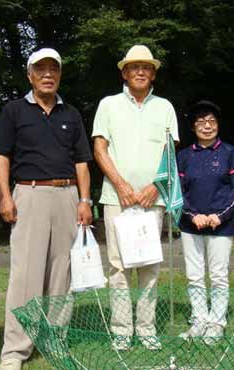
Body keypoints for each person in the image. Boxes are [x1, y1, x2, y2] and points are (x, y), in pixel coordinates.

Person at [0, 48, 93, 370]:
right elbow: (2, 156)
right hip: (29, 195)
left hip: (67, 196)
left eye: (53, 69)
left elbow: (82, 161)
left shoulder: (71, 114)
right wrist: (5, 197)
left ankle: (55, 343)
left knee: (62, 275)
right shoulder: (14, 111)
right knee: (25, 276)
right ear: (30, 74)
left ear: (59, 75)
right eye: (41, 69)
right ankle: (15, 351)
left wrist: (85, 200)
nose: (48, 75)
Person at [92, 45, 179, 351]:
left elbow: (170, 152)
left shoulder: (165, 107)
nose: (140, 71)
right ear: (124, 73)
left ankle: (145, 329)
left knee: (149, 265)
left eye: (146, 67)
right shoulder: (108, 104)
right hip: (117, 197)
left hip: (151, 200)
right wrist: (120, 184)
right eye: (134, 67)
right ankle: (121, 331)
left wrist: (156, 186)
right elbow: (99, 148)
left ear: (153, 73)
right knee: (118, 265)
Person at [176, 101, 234, 344]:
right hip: (190, 224)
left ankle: (216, 323)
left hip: (221, 225)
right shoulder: (183, 156)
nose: (207, 126)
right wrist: (192, 215)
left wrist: (220, 216)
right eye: (201, 122)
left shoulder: (230, 152)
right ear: (194, 127)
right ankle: (199, 319)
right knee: (194, 276)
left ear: (218, 125)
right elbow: (177, 192)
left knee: (217, 276)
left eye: (212, 122)